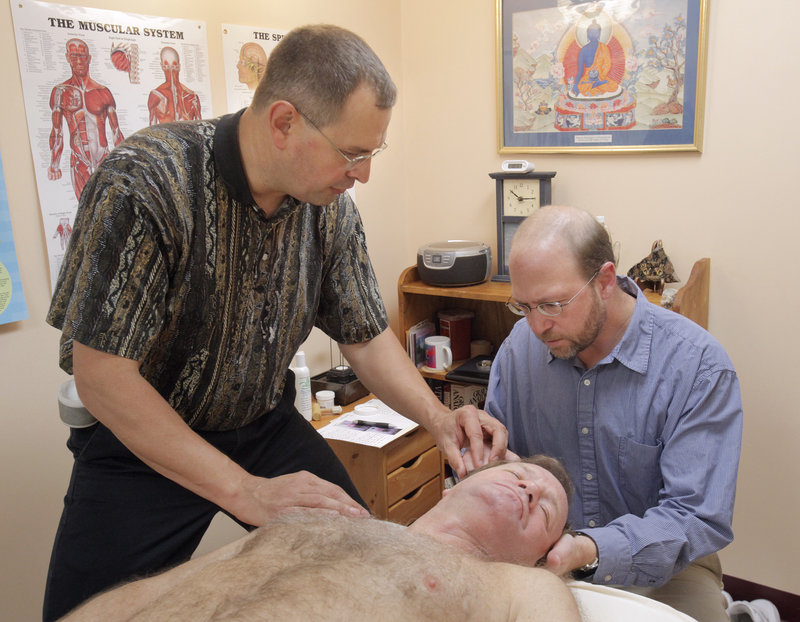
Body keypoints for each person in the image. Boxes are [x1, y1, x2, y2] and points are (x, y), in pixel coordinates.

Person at [44, 24, 508, 621]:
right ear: (284, 121)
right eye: (353, 153)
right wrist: (245, 491)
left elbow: (363, 333)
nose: (362, 174)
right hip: (145, 441)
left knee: (366, 569)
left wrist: (439, 418)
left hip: (262, 423)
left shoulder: (328, 210)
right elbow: (102, 378)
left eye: (373, 153)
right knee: (86, 614)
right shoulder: (146, 182)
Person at [485, 205, 742, 622]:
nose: (537, 327)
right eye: (524, 307)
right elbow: (503, 460)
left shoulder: (698, 366)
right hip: (542, 555)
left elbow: (695, 519)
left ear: (605, 280)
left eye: (552, 305)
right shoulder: (519, 350)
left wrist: (587, 550)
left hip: (668, 567)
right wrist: (487, 469)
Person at [60, 457, 579, 621]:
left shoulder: (522, 588)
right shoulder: (311, 520)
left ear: (540, 557)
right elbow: (151, 593)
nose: (530, 488)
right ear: (458, 479)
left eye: (546, 507)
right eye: (521, 473)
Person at [48, 38, 124, 200]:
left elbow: (116, 132)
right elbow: (57, 131)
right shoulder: (60, 92)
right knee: (85, 213)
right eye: (74, 56)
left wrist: (124, 165)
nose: (78, 61)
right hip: (79, 162)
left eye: (82, 56)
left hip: (104, 159)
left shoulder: (103, 92)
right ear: (68, 57)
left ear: (89, 58)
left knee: (110, 210)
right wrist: (54, 165)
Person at [147, 47, 202, 125]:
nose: (171, 71)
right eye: (166, 67)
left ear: (179, 67)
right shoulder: (155, 95)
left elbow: (200, 129)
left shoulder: (192, 97)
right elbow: (152, 129)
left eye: (174, 67)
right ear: (162, 66)